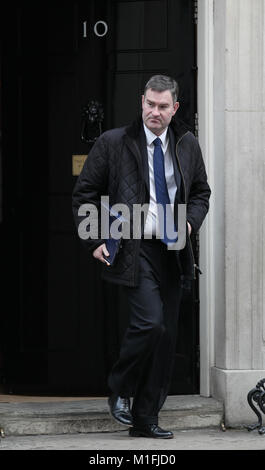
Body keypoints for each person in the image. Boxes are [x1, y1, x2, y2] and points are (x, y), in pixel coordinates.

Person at [72, 75, 211, 439]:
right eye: (150, 104)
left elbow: (201, 192)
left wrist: (191, 225)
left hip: (173, 249)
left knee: (165, 339)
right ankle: (119, 386)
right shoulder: (114, 142)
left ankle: (145, 419)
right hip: (133, 246)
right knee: (150, 323)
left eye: (163, 106)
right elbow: (84, 193)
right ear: (142, 102)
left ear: (174, 108)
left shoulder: (187, 144)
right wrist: (94, 240)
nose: (155, 111)